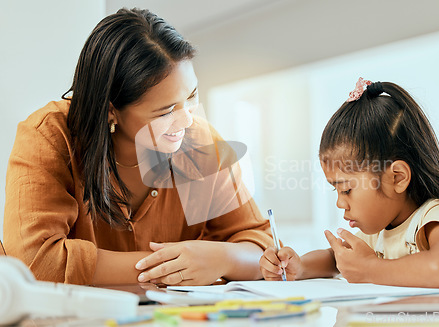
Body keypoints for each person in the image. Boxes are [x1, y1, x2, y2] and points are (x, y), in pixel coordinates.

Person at [3, 8, 273, 286]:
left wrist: (222, 259)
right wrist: (176, 266)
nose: (187, 120)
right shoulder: (49, 135)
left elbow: (264, 249)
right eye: (165, 112)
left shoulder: (201, 142)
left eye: (191, 96)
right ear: (111, 111)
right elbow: (33, 263)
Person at [260, 78, 439, 287]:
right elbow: (336, 259)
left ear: (397, 178)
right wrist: (299, 267)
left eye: (346, 189)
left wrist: (368, 268)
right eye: (336, 189)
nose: (340, 203)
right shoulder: (379, 230)